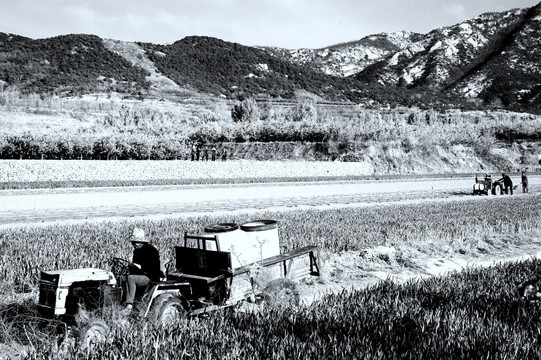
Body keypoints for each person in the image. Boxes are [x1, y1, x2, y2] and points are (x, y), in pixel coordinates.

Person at [122, 228, 162, 314]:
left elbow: (154, 268)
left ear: (141, 242)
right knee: (122, 278)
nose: (134, 244)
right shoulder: (136, 251)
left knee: (131, 278)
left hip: (150, 277)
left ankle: (129, 305)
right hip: (141, 275)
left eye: (135, 242)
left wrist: (139, 267)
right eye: (133, 242)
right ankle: (121, 302)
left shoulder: (152, 251)